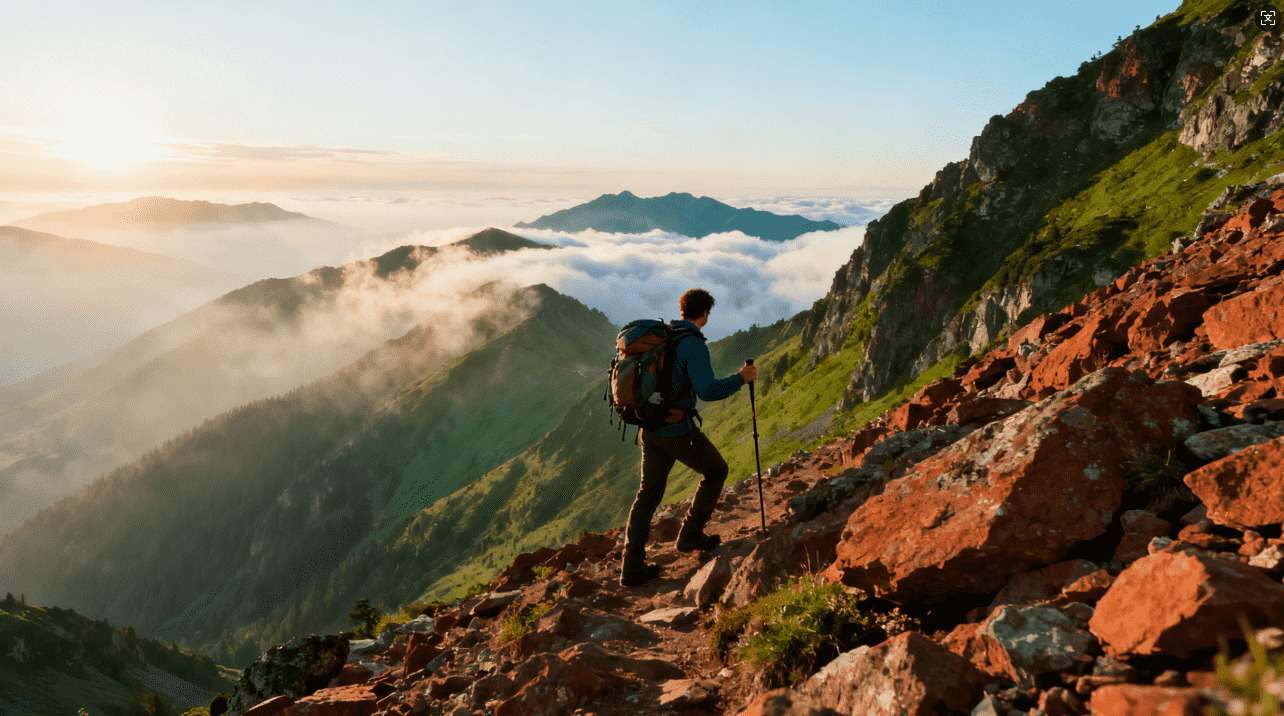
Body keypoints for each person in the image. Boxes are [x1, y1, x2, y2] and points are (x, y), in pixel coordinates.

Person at [620, 288, 757, 587]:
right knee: (716, 470)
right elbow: (708, 390)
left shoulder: (664, 336)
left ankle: (631, 568)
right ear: (705, 314)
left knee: (647, 496)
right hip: (677, 431)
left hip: (649, 427)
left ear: (682, 310)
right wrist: (741, 378)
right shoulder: (692, 345)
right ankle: (690, 534)